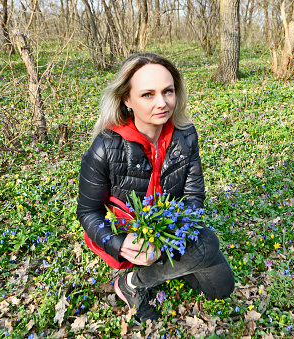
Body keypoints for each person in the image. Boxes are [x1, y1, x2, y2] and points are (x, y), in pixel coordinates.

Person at [76, 53, 235, 323]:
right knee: (207, 244)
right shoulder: (105, 147)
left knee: (220, 287)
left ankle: (164, 267)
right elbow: (88, 212)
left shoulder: (185, 136)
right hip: (129, 235)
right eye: (148, 94)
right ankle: (131, 283)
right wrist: (119, 243)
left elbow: (194, 195)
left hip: (168, 228)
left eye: (168, 91)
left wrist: (174, 234)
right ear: (127, 99)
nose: (162, 103)